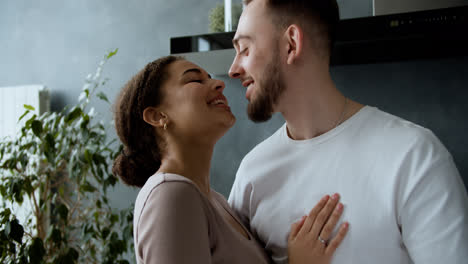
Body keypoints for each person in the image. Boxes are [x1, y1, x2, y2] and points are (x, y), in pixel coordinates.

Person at [227, 0, 468, 263]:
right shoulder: (252, 173)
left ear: (291, 44)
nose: (233, 69)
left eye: (245, 49)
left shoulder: (414, 157)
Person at [112, 56, 349, 264]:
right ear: (157, 116)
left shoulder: (215, 201)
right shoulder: (170, 194)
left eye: (209, 77)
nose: (219, 83)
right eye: (195, 80)